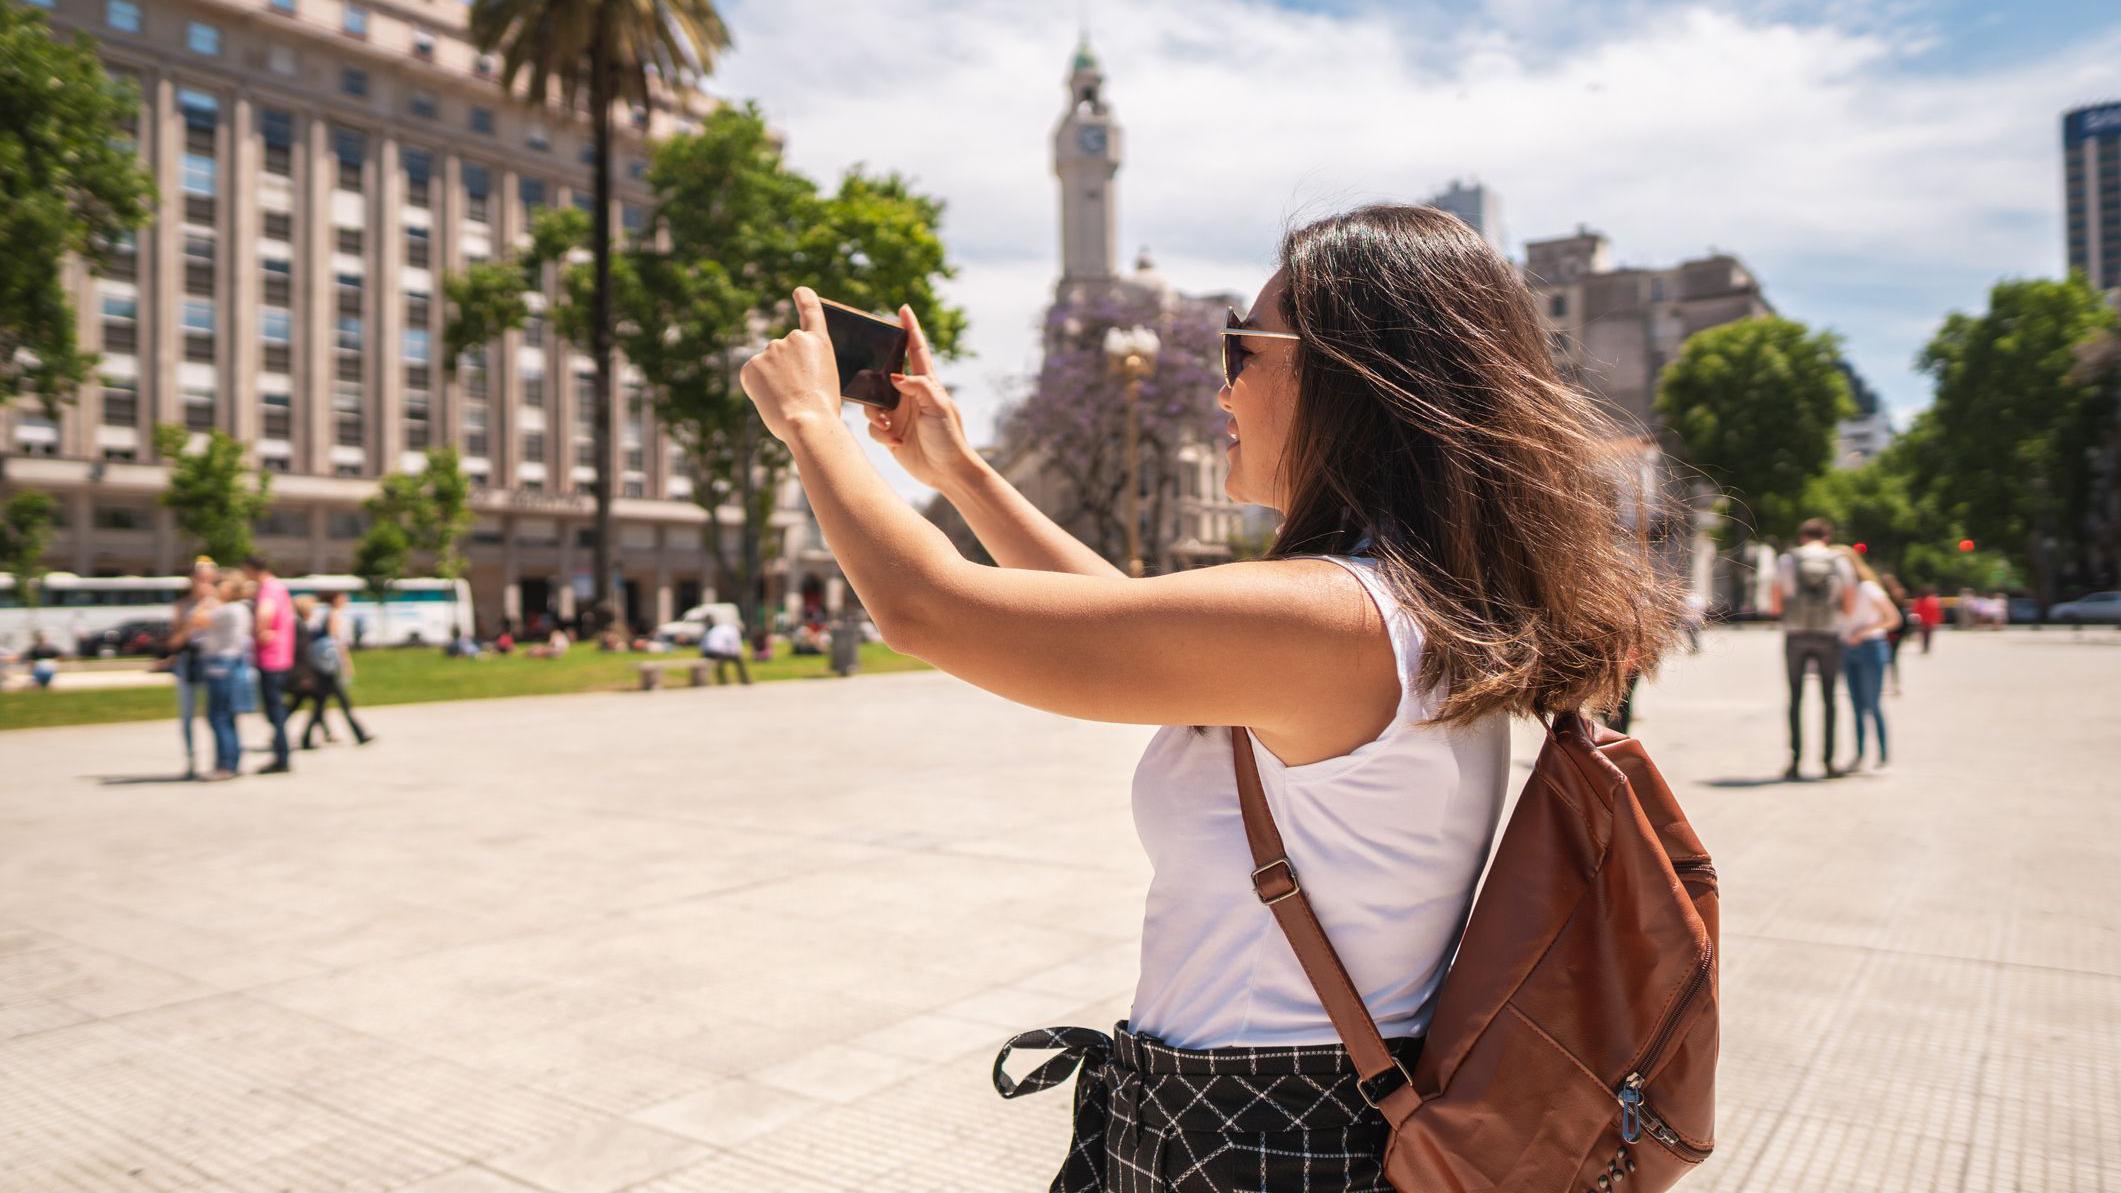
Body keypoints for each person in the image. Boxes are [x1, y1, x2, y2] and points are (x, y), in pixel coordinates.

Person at [736, 206, 1685, 1189]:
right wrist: (961, 473)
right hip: (1294, 1117)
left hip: (1256, 1144)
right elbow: (1127, 621)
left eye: (1241, 346)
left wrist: (810, 420)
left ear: (1346, 378)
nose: (1218, 381)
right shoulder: (1406, 600)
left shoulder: (1338, 617)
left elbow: (928, 608)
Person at [1772, 518, 1858, 781]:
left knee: (1795, 698)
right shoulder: (1838, 561)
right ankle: (1829, 761)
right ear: (1827, 537)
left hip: (1796, 634)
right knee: (1829, 699)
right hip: (1829, 634)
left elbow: (1775, 602)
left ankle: (1795, 761)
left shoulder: (1788, 561)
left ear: (1802, 537)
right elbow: (1849, 602)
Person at [1838, 548, 1901, 772]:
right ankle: (1859, 755)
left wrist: (1864, 631)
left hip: (1871, 647)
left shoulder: (1868, 588)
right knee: (1855, 706)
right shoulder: (1837, 591)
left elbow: (1893, 618)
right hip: (1848, 649)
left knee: (1873, 704)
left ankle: (1883, 755)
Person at [292, 595, 372, 749]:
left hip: (322, 668)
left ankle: (307, 738)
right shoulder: (332, 615)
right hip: (326, 669)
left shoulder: (320, 618)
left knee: (321, 705)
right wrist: (346, 663)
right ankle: (359, 733)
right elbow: (335, 642)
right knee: (339, 703)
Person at [165, 558, 220, 777]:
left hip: (213, 661)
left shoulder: (220, 604)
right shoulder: (182, 606)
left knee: (216, 715)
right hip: (189, 661)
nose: (203, 583)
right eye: (200, 578)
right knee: (187, 715)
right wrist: (190, 623)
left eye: (208, 578)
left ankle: (219, 760)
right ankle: (191, 761)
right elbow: (173, 642)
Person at [242, 556, 296, 775]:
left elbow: (265, 613)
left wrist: (256, 629)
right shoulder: (280, 587)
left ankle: (281, 756)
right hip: (283, 655)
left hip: (269, 657)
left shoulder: (268, 589)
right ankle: (281, 751)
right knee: (277, 708)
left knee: (274, 709)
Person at [198, 574, 253, 781]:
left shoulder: (228, 610)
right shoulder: (241, 609)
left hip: (221, 664)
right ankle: (232, 761)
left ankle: (225, 765)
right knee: (227, 716)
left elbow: (198, 619)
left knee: (218, 716)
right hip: (232, 663)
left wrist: (207, 598)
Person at [700, 616, 751, 685]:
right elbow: (735, 645)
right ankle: (745, 680)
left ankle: (722, 680)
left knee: (721, 661)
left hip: (707, 653)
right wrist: (738, 653)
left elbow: (703, 644)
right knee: (738, 660)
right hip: (718, 652)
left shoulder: (716, 629)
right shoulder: (733, 630)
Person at [1914, 586, 1943, 652]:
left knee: (1923, 635)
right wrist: (1938, 620)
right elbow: (1937, 611)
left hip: (1922, 621)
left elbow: (1916, 610)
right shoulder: (1933, 600)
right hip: (1930, 621)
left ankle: (1925, 647)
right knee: (1928, 635)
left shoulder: (1919, 600)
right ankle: (1926, 647)